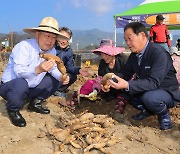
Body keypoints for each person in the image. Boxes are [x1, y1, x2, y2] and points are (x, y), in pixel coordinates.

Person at [108, 22, 180, 130]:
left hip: (166, 91)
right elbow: (125, 73)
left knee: (149, 98)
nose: (127, 43)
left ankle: (163, 115)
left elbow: (153, 82)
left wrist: (127, 84)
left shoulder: (158, 53)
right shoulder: (134, 56)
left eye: (129, 38)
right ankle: (147, 110)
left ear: (142, 35)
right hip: (148, 89)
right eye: (125, 40)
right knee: (127, 92)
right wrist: (111, 79)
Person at [0, 17, 69, 127]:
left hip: (30, 87)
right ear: (37, 34)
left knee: (55, 80)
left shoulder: (52, 51)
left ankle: (35, 103)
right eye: (46, 36)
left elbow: (53, 69)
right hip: (11, 87)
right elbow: (19, 72)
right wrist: (38, 69)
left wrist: (62, 77)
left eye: (53, 37)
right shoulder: (24, 47)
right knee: (21, 83)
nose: (50, 40)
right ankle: (13, 109)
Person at [54, 27, 89, 99]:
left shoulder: (69, 51)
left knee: (72, 76)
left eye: (66, 39)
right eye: (62, 38)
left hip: (61, 74)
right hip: (50, 73)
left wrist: (79, 70)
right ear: (57, 37)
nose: (64, 41)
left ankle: (58, 90)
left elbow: (69, 67)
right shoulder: (52, 48)